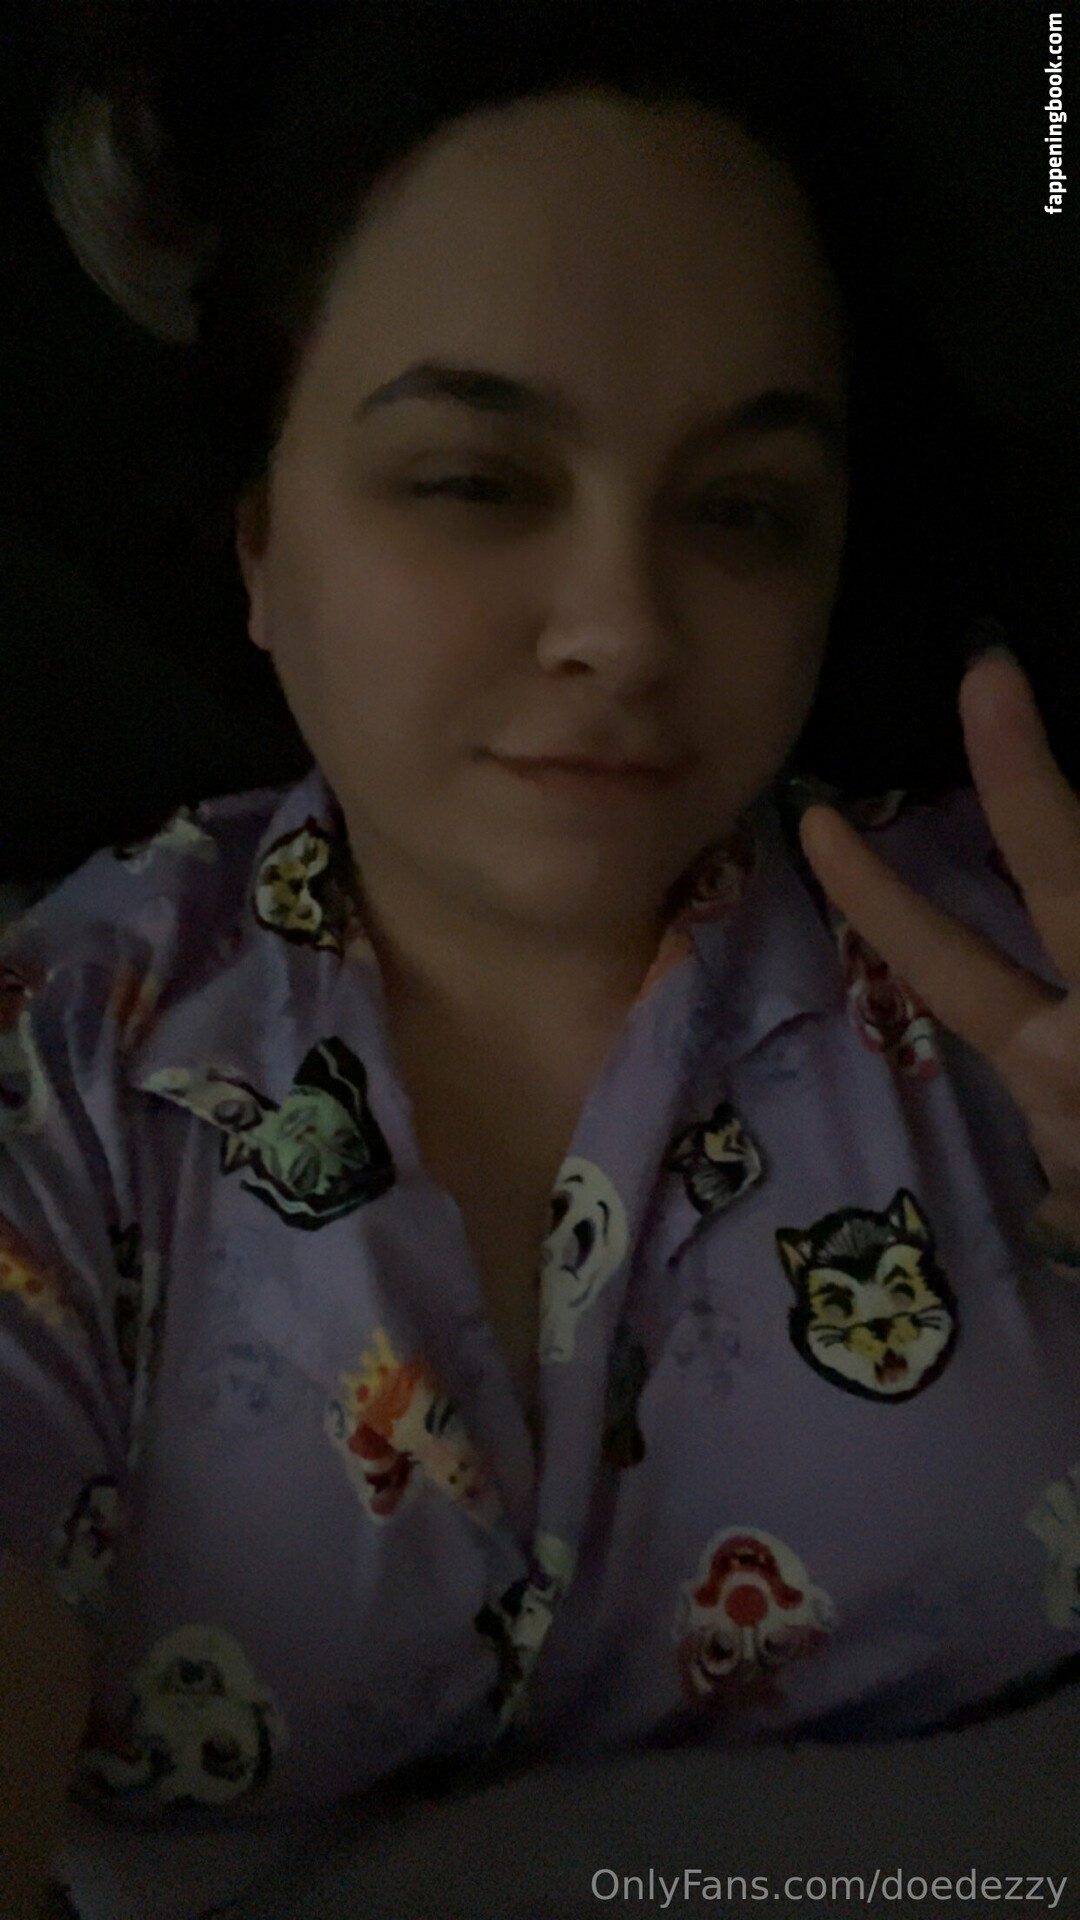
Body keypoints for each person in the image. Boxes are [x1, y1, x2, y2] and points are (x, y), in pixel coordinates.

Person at [4, 4, 1079, 1916]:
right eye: (474, 482)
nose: (624, 626)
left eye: (742, 513)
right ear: (259, 547)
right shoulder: (64, 1072)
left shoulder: (1030, 987)